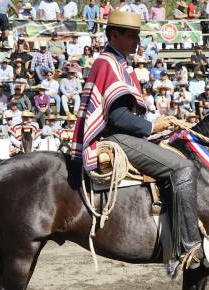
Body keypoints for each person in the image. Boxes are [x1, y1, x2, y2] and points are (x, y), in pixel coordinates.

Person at [69, 10, 202, 275]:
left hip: (124, 134)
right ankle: (187, 248)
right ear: (114, 34)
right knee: (183, 169)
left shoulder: (118, 63)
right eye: (131, 35)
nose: (136, 40)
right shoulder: (108, 63)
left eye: (138, 35)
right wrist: (153, 126)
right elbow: (117, 117)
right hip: (116, 137)